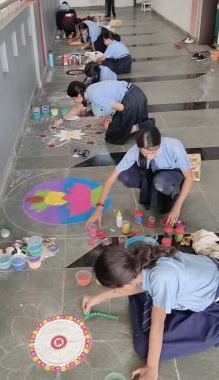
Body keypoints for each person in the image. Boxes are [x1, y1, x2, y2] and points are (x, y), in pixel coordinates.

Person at [83, 244, 219, 380]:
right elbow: (136, 286)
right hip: (207, 270)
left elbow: (158, 326)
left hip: (213, 296)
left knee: (144, 346)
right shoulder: (140, 258)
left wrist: (152, 368)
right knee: (142, 299)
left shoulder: (161, 279)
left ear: (125, 281)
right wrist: (98, 298)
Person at [86, 127, 193, 227]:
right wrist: (100, 207)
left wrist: (177, 207)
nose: (150, 156)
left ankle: (172, 195)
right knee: (125, 176)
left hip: (172, 173)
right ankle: (153, 190)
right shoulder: (134, 151)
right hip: (151, 172)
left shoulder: (174, 147)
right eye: (145, 153)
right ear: (138, 146)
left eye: (153, 151)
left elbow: (189, 178)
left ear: (159, 143)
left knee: (161, 182)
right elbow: (111, 177)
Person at [54, 80, 154, 145]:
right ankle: (135, 125)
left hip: (132, 102)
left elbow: (122, 108)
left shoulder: (94, 97)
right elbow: (77, 108)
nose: (74, 101)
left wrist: (112, 124)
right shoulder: (88, 90)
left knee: (112, 136)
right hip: (137, 93)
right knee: (117, 125)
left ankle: (144, 125)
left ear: (78, 96)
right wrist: (61, 120)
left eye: (73, 99)